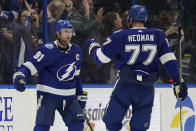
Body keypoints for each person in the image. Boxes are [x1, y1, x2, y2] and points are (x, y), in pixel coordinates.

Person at [84, 4, 188, 131]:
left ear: (130, 19)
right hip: (146, 88)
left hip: (125, 86)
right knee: (139, 127)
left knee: (112, 122)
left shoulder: (120, 35)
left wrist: (92, 45)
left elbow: (100, 58)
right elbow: (169, 61)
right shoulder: (158, 35)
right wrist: (178, 83)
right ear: (145, 19)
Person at [13, 20, 87, 131]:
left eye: (70, 32)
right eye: (65, 31)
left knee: (77, 125)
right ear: (58, 33)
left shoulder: (76, 51)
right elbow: (31, 65)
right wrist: (20, 75)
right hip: (48, 96)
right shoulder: (48, 50)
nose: (68, 35)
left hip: (69, 97)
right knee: (42, 127)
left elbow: (76, 76)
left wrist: (80, 92)